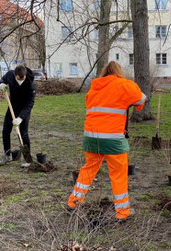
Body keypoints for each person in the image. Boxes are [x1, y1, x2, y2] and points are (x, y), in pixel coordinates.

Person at [67, 61, 146, 221]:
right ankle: (122, 213)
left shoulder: (93, 89)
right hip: (113, 140)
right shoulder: (124, 85)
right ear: (118, 72)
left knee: (88, 170)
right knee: (118, 174)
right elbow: (141, 100)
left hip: (91, 137)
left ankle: (73, 203)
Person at [0, 65, 36, 167]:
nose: (21, 81)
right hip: (12, 107)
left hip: (24, 109)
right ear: (15, 75)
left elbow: (30, 103)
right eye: (19, 79)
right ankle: (7, 155)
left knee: (23, 133)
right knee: (5, 130)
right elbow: (2, 80)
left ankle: (27, 159)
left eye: (23, 79)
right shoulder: (10, 74)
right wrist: (1, 84)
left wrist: (20, 117)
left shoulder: (31, 84)